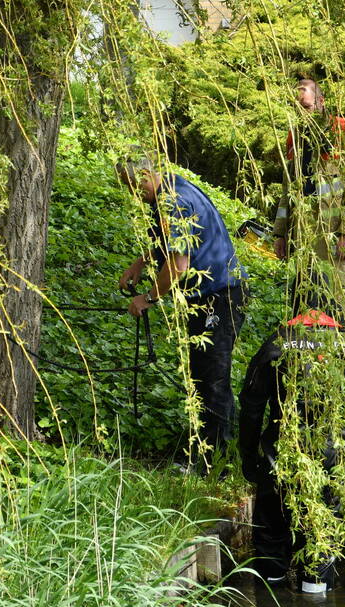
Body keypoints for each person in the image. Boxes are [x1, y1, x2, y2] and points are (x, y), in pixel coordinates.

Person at [117, 155, 248, 472]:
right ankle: (207, 447)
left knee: (211, 378)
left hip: (220, 295)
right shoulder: (171, 188)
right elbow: (169, 242)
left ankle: (211, 462)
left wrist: (148, 298)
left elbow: (178, 265)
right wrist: (142, 261)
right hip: (206, 296)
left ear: (145, 175)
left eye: (133, 186)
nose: (134, 193)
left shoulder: (174, 202)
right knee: (200, 374)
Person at [238, 302, 345, 593]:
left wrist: (248, 457)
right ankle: (316, 603)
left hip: (279, 453)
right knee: (320, 534)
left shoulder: (276, 344)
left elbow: (251, 406)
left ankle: (268, 606)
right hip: (330, 453)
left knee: (271, 533)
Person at [272, 78, 345, 316]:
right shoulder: (296, 140)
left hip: (338, 236)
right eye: (298, 108)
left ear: (321, 102)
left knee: (338, 304)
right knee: (306, 302)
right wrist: (281, 233)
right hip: (306, 236)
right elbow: (288, 190)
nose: (303, 113)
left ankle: (341, 350)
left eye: (307, 106)